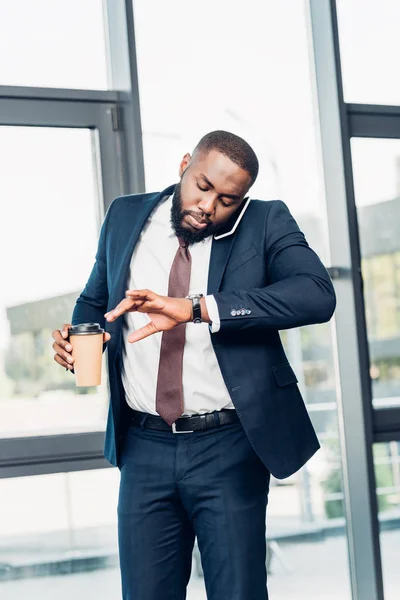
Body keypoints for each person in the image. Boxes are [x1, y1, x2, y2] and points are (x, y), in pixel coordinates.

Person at [52, 130, 336, 600]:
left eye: (227, 199)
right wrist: (84, 334)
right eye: (203, 186)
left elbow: (316, 294)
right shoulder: (125, 215)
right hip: (142, 447)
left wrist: (198, 307)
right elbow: (93, 299)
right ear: (185, 163)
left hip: (228, 447)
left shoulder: (266, 221)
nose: (208, 207)